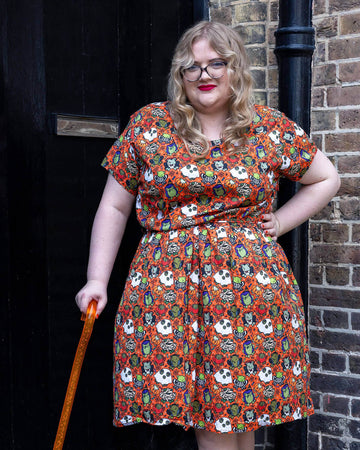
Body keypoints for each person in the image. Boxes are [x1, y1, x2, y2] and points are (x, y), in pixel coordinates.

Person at [75, 21, 340, 450]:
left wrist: (282, 221)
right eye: (192, 66)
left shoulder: (267, 127)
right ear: (180, 75)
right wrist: (96, 280)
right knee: (209, 411)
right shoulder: (150, 125)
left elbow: (327, 177)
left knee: (243, 406)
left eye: (217, 63)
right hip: (172, 288)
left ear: (236, 70)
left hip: (249, 288)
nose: (204, 75)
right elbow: (114, 206)